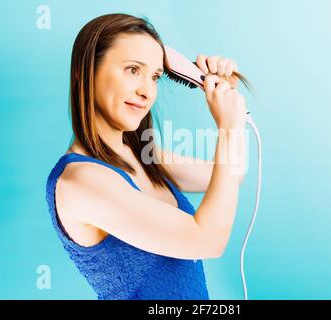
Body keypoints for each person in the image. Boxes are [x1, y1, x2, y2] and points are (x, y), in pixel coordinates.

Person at [45, 13, 248, 300]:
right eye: (132, 70)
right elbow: (207, 240)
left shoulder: (143, 156)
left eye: (154, 76)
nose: (146, 91)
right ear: (86, 70)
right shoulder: (80, 181)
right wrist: (228, 128)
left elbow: (234, 174)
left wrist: (224, 92)